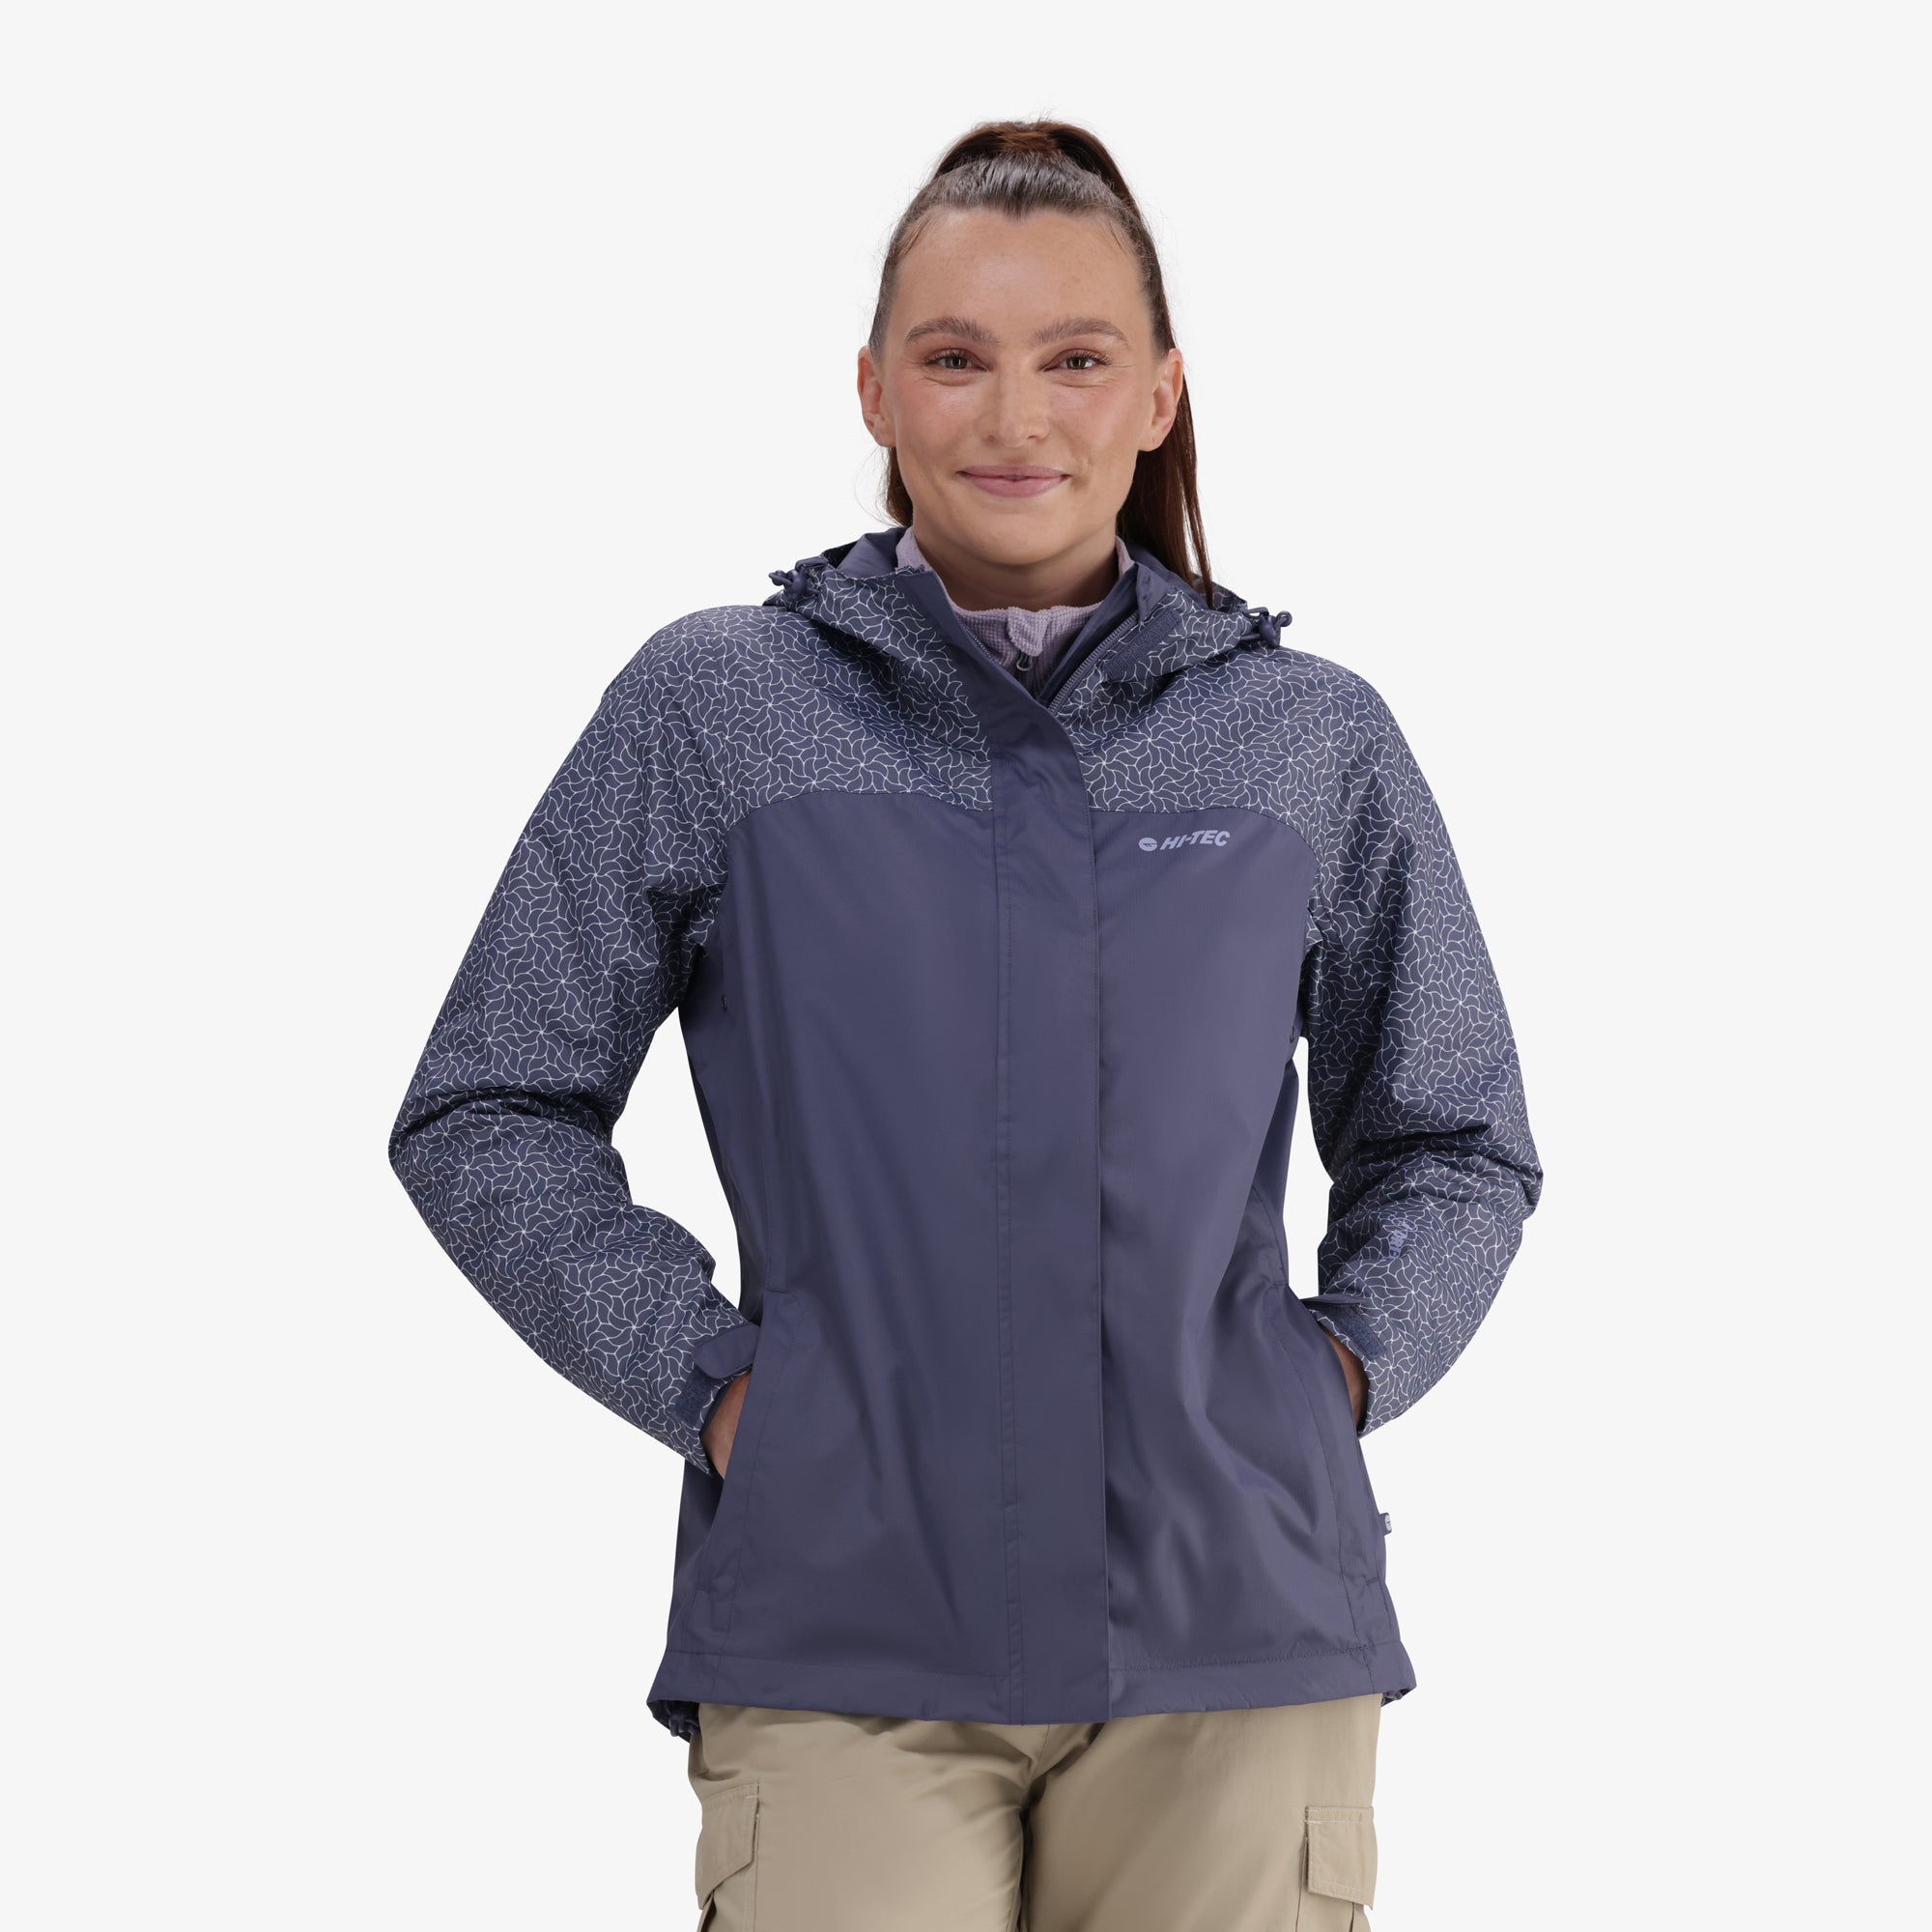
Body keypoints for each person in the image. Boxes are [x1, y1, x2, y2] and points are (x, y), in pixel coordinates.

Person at [387, 118, 1543, 1932]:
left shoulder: (1307, 735)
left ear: (1158, 395)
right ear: (873, 389)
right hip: (845, 1623)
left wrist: (1332, 1384)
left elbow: (1455, 1134)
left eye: (1076, 359)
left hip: (1235, 1634)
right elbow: (490, 1108)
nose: (1018, 417)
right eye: (955, 357)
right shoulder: (718, 705)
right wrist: (723, 1395)